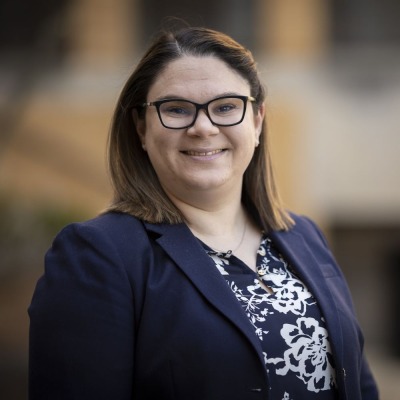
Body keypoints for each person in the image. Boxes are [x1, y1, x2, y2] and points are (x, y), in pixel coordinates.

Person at [28, 27, 379, 400]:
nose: (203, 127)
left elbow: (359, 382)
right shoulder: (99, 254)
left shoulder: (303, 235)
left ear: (257, 121)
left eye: (226, 107)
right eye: (176, 109)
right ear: (141, 128)